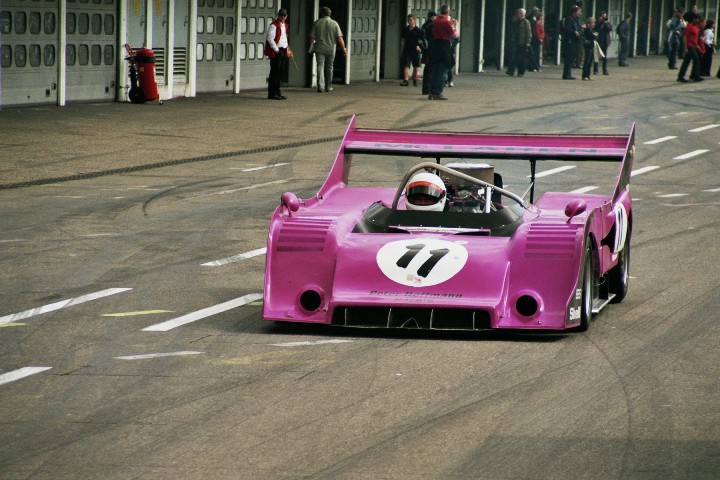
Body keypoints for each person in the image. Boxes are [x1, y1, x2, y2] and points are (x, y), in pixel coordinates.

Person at [310, 7, 347, 93]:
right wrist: (344, 49)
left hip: (319, 48)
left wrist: (311, 47)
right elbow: (339, 38)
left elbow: (312, 37)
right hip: (331, 48)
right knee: (329, 67)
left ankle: (320, 86)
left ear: (322, 14)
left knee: (320, 66)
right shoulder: (335, 23)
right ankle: (328, 86)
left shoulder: (317, 23)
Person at [429, 5, 458, 100]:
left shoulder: (435, 20)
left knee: (435, 70)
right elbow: (455, 35)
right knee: (443, 70)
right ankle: (437, 92)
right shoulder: (447, 22)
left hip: (436, 45)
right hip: (445, 46)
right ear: (448, 12)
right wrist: (455, 25)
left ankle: (431, 91)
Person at [266, 8, 290, 100]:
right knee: (274, 72)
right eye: (281, 15)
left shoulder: (285, 25)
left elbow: (284, 38)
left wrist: (287, 49)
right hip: (277, 50)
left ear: (286, 16)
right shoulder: (273, 25)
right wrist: (276, 50)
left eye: (284, 15)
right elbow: (270, 39)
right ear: (278, 15)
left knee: (280, 72)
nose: (283, 17)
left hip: (283, 49)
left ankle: (278, 91)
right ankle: (272, 93)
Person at [506, 8, 531, 77]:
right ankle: (510, 70)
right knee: (514, 57)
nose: (517, 15)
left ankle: (521, 72)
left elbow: (529, 33)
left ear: (522, 14)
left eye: (519, 14)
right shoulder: (515, 22)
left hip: (523, 42)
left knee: (522, 59)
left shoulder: (526, 22)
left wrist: (528, 42)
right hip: (516, 42)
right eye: (517, 13)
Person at [677, 13, 703, 82]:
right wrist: (685, 47)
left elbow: (695, 38)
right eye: (696, 19)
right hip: (689, 45)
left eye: (698, 19)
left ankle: (681, 76)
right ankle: (695, 75)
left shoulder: (697, 27)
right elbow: (685, 36)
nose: (697, 20)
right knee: (696, 59)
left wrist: (697, 45)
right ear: (693, 19)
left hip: (694, 45)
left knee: (687, 61)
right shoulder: (689, 26)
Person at [400, 14, 424, 86]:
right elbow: (403, 40)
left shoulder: (418, 30)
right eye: (408, 20)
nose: (409, 21)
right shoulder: (405, 29)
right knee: (406, 65)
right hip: (407, 49)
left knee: (416, 65)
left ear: (414, 20)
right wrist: (401, 50)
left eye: (411, 20)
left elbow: (422, 41)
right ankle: (406, 80)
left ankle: (414, 79)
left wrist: (419, 46)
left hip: (415, 50)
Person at [561, 5, 582, 79]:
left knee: (571, 58)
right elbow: (567, 29)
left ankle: (568, 73)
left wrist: (580, 31)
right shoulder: (569, 19)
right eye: (579, 11)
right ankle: (566, 74)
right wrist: (574, 32)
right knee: (568, 58)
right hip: (569, 40)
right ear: (574, 12)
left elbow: (578, 28)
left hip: (574, 40)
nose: (580, 13)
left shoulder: (577, 20)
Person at [420, 11, 436, 95]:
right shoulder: (432, 26)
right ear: (433, 17)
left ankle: (425, 89)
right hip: (431, 50)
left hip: (426, 50)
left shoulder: (424, 26)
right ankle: (428, 89)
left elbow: (421, 39)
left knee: (427, 69)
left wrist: (423, 49)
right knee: (431, 70)